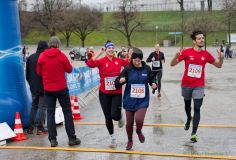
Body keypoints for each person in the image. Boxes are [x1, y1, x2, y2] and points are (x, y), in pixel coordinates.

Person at [170, 30, 224, 142]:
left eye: (203, 38)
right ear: (194, 41)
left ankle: (194, 133)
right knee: (187, 107)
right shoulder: (186, 52)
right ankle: (189, 118)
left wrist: (221, 58)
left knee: (197, 108)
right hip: (186, 84)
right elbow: (172, 64)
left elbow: (218, 66)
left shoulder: (206, 54)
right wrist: (175, 57)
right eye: (199, 38)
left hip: (199, 86)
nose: (202, 40)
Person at [37, 36, 81, 147]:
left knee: (50, 113)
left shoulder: (42, 56)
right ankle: (71, 138)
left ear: (49, 44)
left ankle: (52, 139)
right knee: (67, 112)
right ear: (58, 44)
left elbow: (38, 72)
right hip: (61, 88)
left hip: (48, 89)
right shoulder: (61, 55)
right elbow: (70, 69)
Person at [86, 41, 130, 148]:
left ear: (114, 50)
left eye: (112, 48)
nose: (110, 49)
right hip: (104, 93)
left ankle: (119, 116)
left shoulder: (118, 61)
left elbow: (130, 64)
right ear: (105, 50)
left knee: (115, 115)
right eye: (108, 48)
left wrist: (131, 56)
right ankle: (112, 138)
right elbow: (89, 64)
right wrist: (98, 53)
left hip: (116, 92)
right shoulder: (101, 61)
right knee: (108, 117)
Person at [115, 48, 157, 150]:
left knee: (139, 119)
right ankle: (130, 141)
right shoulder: (128, 69)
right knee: (129, 123)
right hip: (129, 100)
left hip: (142, 100)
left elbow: (152, 79)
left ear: (141, 59)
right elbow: (117, 83)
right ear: (132, 59)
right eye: (135, 60)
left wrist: (153, 84)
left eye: (139, 60)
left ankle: (138, 131)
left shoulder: (146, 68)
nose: (137, 62)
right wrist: (120, 81)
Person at [26, 41, 48, 135]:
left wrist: (31, 83)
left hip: (33, 86)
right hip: (43, 85)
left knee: (34, 106)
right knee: (42, 106)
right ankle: (40, 127)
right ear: (45, 48)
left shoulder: (30, 57)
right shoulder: (44, 57)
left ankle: (30, 127)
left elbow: (27, 74)